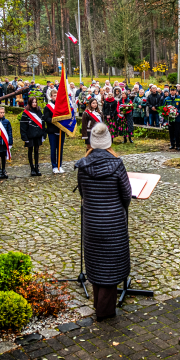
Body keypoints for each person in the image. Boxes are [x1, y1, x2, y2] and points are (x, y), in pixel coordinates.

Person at [75, 123, 132, 321]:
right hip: (113, 222)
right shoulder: (117, 164)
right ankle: (104, 312)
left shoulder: (83, 165)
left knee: (97, 262)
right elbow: (126, 194)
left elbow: (83, 193)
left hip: (92, 222)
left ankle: (98, 304)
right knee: (110, 265)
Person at [21, 97, 46, 176]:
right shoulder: (26, 113)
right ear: (30, 103)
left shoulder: (39, 111)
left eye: (35, 102)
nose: (34, 104)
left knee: (36, 151)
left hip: (38, 135)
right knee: (30, 151)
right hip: (30, 135)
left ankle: (36, 167)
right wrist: (24, 136)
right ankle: (32, 168)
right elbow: (23, 125)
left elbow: (43, 123)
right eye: (33, 102)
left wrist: (43, 134)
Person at [44, 89, 66, 174]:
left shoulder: (62, 106)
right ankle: (54, 166)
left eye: (57, 95)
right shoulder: (48, 107)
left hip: (61, 130)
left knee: (60, 149)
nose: (56, 97)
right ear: (51, 97)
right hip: (52, 131)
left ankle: (59, 165)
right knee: (53, 149)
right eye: (54, 96)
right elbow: (46, 118)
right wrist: (55, 120)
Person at [163, 86, 180, 150]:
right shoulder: (167, 99)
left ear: (176, 91)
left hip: (177, 118)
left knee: (177, 132)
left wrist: (178, 112)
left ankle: (178, 145)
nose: (172, 91)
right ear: (169, 91)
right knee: (171, 132)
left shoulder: (179, 98)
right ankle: (172, 144)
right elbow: (163, 107)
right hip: (170, 118)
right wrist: (167, 113)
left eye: (174, 90)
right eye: (171, 90)